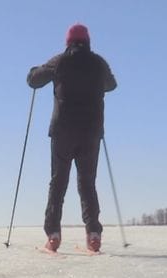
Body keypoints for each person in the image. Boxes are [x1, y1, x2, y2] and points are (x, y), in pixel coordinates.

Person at [27, 23, 117, 252]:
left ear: (68, 42)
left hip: (63, 131)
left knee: (58, 183)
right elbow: (111, 85)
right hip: (91, 132)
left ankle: (53, 236)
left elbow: (33, 80)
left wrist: (35, 70)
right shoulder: (98, 63)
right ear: (88, 42)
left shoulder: (60, 62)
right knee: (87, 184)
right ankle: (94, 235)